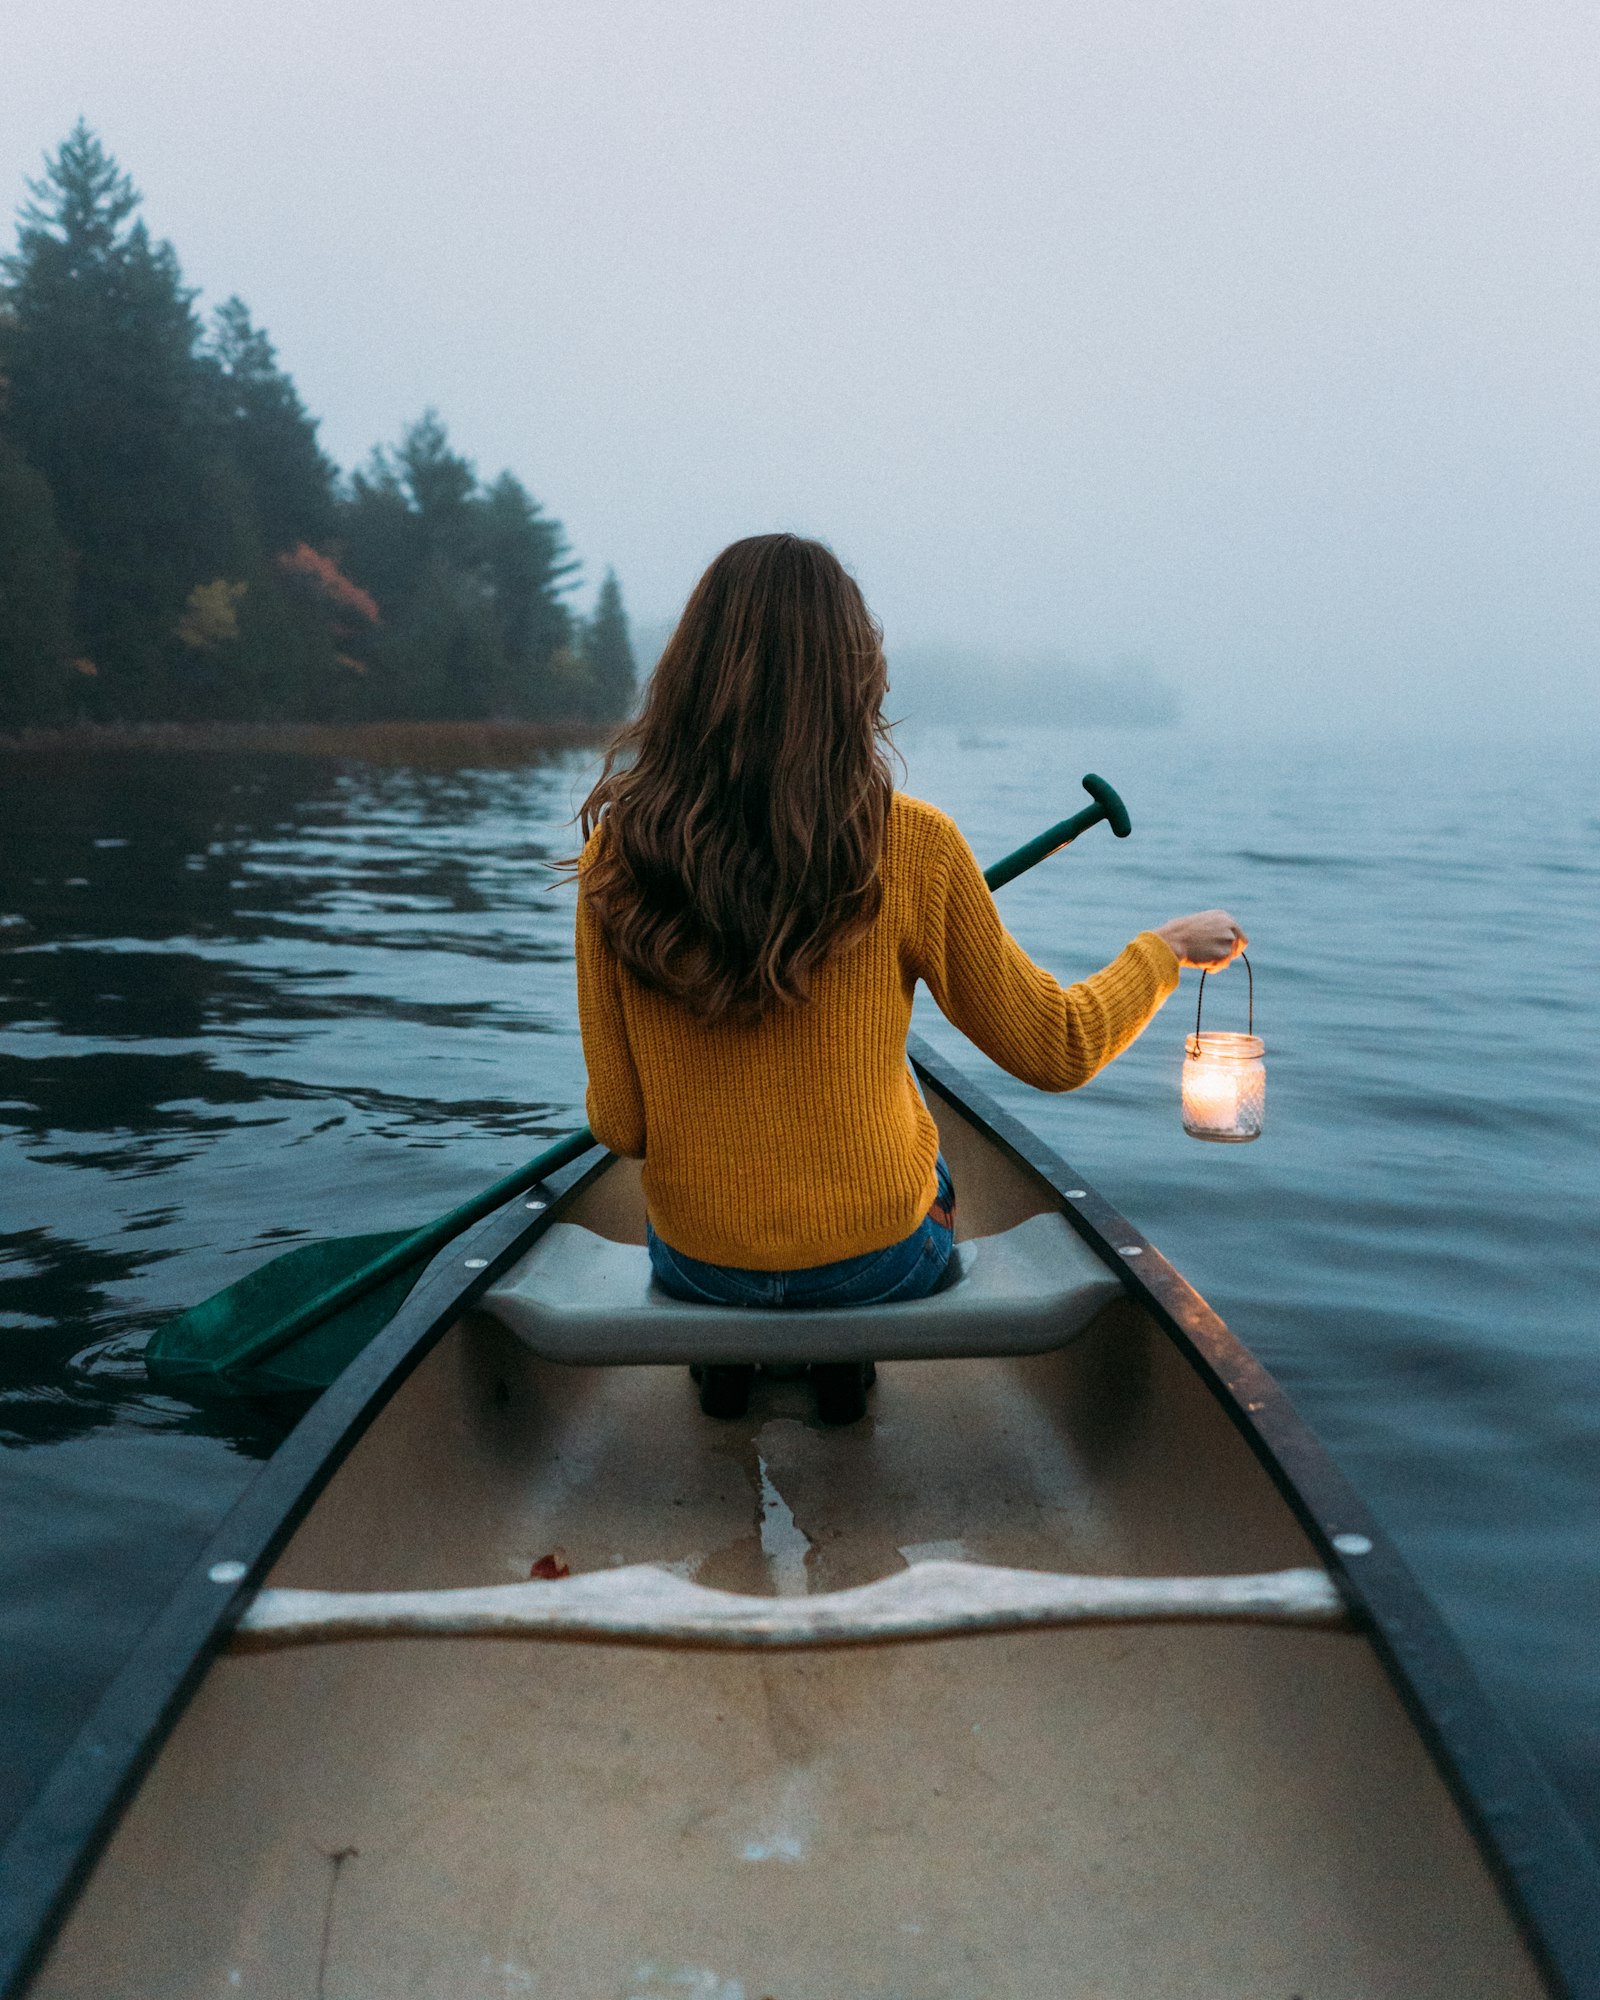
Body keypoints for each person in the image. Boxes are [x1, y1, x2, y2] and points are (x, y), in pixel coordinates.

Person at [572, 534, 1245, 1423]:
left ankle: (724, 1364)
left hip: (697, 1262)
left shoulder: (615, 857)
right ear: (855, 677)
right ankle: (846, 1369)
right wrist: (1164, 951)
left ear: (690, 675)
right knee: (930, 1153)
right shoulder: (915, 844)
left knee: (714, 1217)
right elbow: (1057, 1048)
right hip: (876, 1262)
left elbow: (620, 1125)